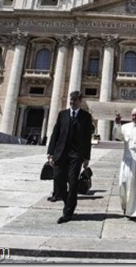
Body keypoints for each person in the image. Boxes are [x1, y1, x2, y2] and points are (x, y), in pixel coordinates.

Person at [47, 90, 94, 224]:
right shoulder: (62, 114)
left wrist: (86, 157)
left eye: (74, 100)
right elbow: (55, 134)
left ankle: (67, 213)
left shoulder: (86, 116)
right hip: (60, 153)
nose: (72, 102)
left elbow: (87, 138)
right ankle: (69, 203)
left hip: (76, 155)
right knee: (58, 179)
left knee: (73, 182)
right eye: (70, 100)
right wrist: (50, 154)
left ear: (80, 101)